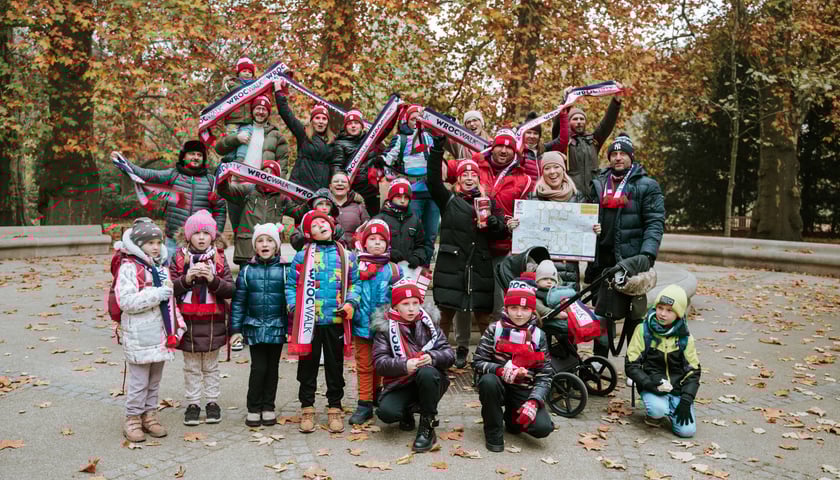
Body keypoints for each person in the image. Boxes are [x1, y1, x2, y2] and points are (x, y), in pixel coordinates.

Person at [426, 135, 506, 367]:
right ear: (458, 179)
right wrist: (437, 148)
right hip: (452, 268)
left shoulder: (488, 202)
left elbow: (501, 230)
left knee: (484, 318)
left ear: (478, 178)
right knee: (444, 317)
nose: (469, 178)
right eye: (465, 174)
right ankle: (437, 360)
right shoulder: (448, 200)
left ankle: (490, 361)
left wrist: (494, 223)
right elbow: (433, 180)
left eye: (473, 174)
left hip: (479, 268)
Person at [586, 133, 665, 359]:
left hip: (631, 261)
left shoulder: (647, 185)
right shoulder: (599, 184)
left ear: (631, 156)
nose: (618, 158)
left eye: (623, 153)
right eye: (614, 154)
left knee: (635, 315)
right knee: (601, 314)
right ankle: (599, 360)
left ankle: (635, 361)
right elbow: (586, 215)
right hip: (602, 260)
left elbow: (655, 223)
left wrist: (647, 255)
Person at [286, 210, 360, 434]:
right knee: (307, 366)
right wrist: (294, 307)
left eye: (324, 222)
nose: (321, 226)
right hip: (309, 321)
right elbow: (291, 285)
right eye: (315, 225)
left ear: (332, 225)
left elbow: (355, 283)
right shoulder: (302, 256)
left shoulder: (346, 255)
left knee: (334, 365)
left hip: (335, 319)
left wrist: (351, 302)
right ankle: (307, 407)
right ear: (310, 234)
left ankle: (335, 406)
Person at [114, 218, 185, 442]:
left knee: (154, 381)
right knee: (139, 382)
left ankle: (149, 415)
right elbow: (126, 301)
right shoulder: (128, 268)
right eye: (150, 243)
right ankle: (133, 418)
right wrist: (156, 294)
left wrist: (178, 324)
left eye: (158, 242)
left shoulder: (161, 267)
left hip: (161, 334)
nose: (155, 247)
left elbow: (170, 300)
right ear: (138, 244)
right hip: (140, 335)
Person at [372, 280, 455, 452]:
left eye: (415, 303)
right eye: (405, 304)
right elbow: (379, 362)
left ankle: (427, 426)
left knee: (427, 373)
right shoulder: (385, 328)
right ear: (395, 306)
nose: (411, 309)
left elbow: (449, 354)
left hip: (429, 380)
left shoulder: (429, 323)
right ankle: (407, 411)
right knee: (387, 413)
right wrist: (404, 365)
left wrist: (432, 357)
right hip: (400, 382)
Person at [169, 210, 235, 426]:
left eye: (205, 233)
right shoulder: (179, 258)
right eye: (196, 233)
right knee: (191, 367)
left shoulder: (219, 258)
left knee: (211, 366)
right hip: (187, 321)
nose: (201, 237)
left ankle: (212, 402)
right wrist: (186, 279)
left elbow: (230, 289)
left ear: (212, 236)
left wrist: (213, 280)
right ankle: (193, 403)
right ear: (188, 236)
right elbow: (169, 289)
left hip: (213, 321)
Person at [473, 279, 554, 452]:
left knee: (543, 428)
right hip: (497, 385)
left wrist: (534, 401)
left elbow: (545, 374)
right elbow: (478, 361)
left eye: (525, 309)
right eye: (514, 308)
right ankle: (493, 431)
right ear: (506, 308)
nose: (519, 314)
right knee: (488, 382)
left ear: (532, 310)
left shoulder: (538, 335)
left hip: (523, 389)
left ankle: (512, 418)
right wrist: (500, 370)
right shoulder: (494, 329)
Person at [112, 141, 227, 257]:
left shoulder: (212, 182)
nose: (196, 157)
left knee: (199, 269)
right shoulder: (173, 175)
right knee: (171, 269)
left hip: (201, 242)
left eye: (199, 155)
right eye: (192, 154)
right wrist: (122, 161)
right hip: (173, 240)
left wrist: (215, 235)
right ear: (184, 157)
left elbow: (220, 209)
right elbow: (144, 174)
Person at [510, 151, 600, 291]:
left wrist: (593, 229)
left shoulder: (577, 197)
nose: (552, 172)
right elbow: (523, 237)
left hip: (568, 273)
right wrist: (514, 227)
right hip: (538, 271)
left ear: (563, 170)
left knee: (566, 304)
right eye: (547, 168)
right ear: (542, 172)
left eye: (556, 167)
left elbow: (584, 232)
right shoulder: (533, 198)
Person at [230, 224, 290, 427]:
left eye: (270, 240)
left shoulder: (285, 270)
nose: (265, 244)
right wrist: (235, 330)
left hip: (277, 327)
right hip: (254, 327)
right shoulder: (247, 271)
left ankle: (268, 407)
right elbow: (239, 302)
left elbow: (291, 301)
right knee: (258, 368)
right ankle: (254, 407)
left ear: (277, 245)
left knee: (272, 369)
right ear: (255, 246)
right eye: (260, 241)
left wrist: (291, 329)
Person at [625, 285, 699, 438]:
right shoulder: (643, 330)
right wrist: (647, 383)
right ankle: (656, 412)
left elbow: (693, 371)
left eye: (669, 310)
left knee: (687, 432)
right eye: (660, 308)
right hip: (652, 385)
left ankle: (672, 406)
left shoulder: (685, 337)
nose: (662, 314)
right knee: (657, 409)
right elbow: (631, 365)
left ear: (678, 314)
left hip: (678, 389)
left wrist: (687, 399)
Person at [349, 220, 402, 424]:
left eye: (381, 239)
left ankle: (377, 393)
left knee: (380, 363)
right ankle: (364, 404)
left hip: (385, 327)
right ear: (364, 242)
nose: (377, 243)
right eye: (372, 239)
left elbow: (399, 298)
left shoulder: (394, 270)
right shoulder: (356, 267)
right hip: (361, 324)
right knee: (364, 365)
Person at [214, 94, 290, 232]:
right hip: (236, 186)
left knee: (262, 232)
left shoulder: (276, 136)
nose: (260, 112)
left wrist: (278, 189)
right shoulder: (240, 130)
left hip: (260, 190)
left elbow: (283, 166)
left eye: (264, 109)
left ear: (268, 112)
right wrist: (236, 139)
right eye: (257, 108)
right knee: (238, 229)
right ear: (252, 110)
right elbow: (219, 148)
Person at [216, 160, 307, 267]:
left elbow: (298, 213)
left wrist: (310, 202)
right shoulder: (249, 190)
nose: (268, 175)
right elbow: (225, 191)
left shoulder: (282, 197)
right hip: (247, 250)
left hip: (271, 251)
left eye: (271, 173)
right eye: (265, 172)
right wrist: (223, 177)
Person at [382, 105, 438, 265]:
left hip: (432, 192)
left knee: (431, 234)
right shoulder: (401, 138)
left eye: (420, 118)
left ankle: (425, 266)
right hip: (412, 194)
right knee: (412, 232)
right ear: (407, 120)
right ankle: (410, 265)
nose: (417, 122)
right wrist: (392, 175)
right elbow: (386, 159)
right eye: (413, 119)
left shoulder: (430, 137)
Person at [553, 87, 623, 197]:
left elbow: (607, 123)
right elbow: (558, 125)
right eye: (575, 119)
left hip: (594, 195)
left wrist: (616, 100)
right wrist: (566, 100)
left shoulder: (594, 140)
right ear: (568, 122)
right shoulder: (563, 141)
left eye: (582, 119)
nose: (579, 122)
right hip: (571, 195)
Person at [274, 79, 338, 191]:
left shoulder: (333, 140)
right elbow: (286, 114)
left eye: (324, 119)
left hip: (320, 191)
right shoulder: (303, 134)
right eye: (317, 118)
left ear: (328, 122)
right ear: (312, 121)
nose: (321, 121)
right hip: (299, 187)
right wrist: (278, 90)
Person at [333, 109, 381, 215]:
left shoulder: (370, 140)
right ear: (345, 127)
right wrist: (344, 189)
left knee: (373, 220)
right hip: (354, 191)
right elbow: (337, 166)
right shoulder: (340, 143)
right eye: (350, 123)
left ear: (362, 126)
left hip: (372, 190)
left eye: (356, 123)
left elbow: (384, 130)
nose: (353, 126)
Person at [373, 178, 427, 271]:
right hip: (384, 269)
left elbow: (421, 245)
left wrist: (417, 257)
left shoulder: (415, 221)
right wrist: (388, 253)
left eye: (406, 197)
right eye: (398, 196)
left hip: (408, 270)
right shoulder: (379, 219)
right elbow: (370, 245)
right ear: (391, 197)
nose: (402, 200)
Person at [519, 110, 570, 182]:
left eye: (535, 133)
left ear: (539, 136)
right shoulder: (518, 151)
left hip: (542, 188)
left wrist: (563, 116)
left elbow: (562, 140)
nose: (532, 136)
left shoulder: (543, 149)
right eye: (529, 132)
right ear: (523, 134)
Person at [329, 171, 370, 247]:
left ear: (348, 187)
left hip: (353, 251)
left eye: (343, 182)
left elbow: (368, 230)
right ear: (330, 187)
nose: (340, 183)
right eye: (336, 181)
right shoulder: (323, 206)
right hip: (328, 250)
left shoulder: (359, 207)